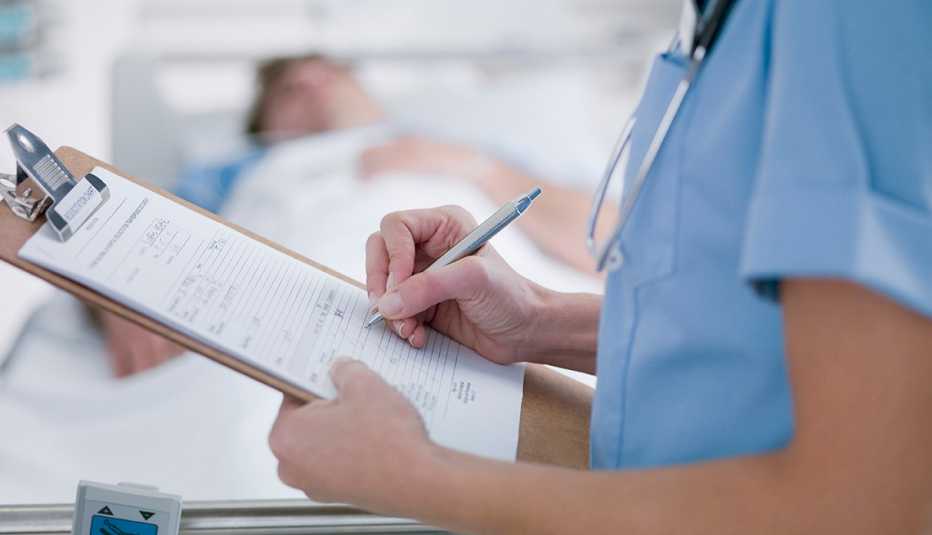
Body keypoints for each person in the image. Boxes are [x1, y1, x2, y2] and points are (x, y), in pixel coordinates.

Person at [267, 1, 932, 533]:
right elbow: (760, 341)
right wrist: (541, 320)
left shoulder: (851, 18)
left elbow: (869, 508)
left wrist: (411, 475)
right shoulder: (727, 23)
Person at [99, 53, 610, 377]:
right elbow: (130, 222)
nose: (311, 85)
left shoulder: (463, 146)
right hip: (274, 317)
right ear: (265, 123)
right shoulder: (244, 166)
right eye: (287, 92)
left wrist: (477, 168)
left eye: (325, 72)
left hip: (487, 321)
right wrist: (115, 292)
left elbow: (610, 241)